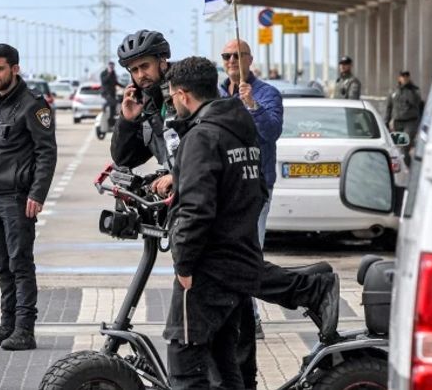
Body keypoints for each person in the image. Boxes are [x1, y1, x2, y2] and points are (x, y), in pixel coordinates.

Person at [110, 30, 340, 390]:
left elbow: (209, 145)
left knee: (227, 294)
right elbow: (126, 156)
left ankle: (307, 291)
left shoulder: (192, 95)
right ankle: (307, 289)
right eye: (134, 70)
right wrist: (128, 120)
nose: (140, 75)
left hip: (218, 202)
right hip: (201, 206)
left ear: (163, 62)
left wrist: (180, 175)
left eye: (145, 66)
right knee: (229, 289)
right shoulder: (151, 107)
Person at [161, 56, 264, 388]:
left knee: (185, 359)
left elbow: (196, 209)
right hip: (236, 257)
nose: (173, 102)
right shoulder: (240, 126)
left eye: (173, 95)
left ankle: (312, 287)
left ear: (184, 94)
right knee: (224, 357)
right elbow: (257, 190)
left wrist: (184, 264)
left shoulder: (202, 136)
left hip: (207, 266)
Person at [0, 43, 57, 351]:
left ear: (15, 69)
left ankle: (24, 330)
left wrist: (38, 193)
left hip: (17, 199)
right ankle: (7, 325)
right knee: (1, 264)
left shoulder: (33, 105)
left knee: (20, 264)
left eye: (0, 69)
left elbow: (46, 152)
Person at [218, 40, 283, 336]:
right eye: (226, 56)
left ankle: (250, 317)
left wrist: (252, 106)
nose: (231, 61)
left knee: (249, 252)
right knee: (223, 254)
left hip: (254, 187)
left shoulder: (267, 94)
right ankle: (230, 314)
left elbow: (271, 133)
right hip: (222, 187)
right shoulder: (216, 94)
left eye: (237, 56)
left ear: (249, 59)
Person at [386, 70, 424, 152]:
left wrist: (408, 89)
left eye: (407, 76)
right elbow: (389, 107)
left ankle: (405, 163)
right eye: (403, 76)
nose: (405, 78)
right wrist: (386, 122)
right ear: (399, 78)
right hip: (397, 122)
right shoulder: (394, 91)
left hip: (410, 122)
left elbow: (415, 102)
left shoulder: (414, 90)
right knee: (397, 147)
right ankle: (402, 162)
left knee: (405, 146)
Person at [99, 61, 123, 128]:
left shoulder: (113, 73)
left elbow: (115, 82)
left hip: (112, 93)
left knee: (113, 109)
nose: (112, 67)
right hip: (106, 93)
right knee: (114, 103)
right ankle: (104, 105)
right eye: (110, 66)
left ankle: (111, 123)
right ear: (108, 66)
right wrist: (109, 73)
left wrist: (124, 86)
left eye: (113, 66)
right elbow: (104, 81)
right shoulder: (103, 73)